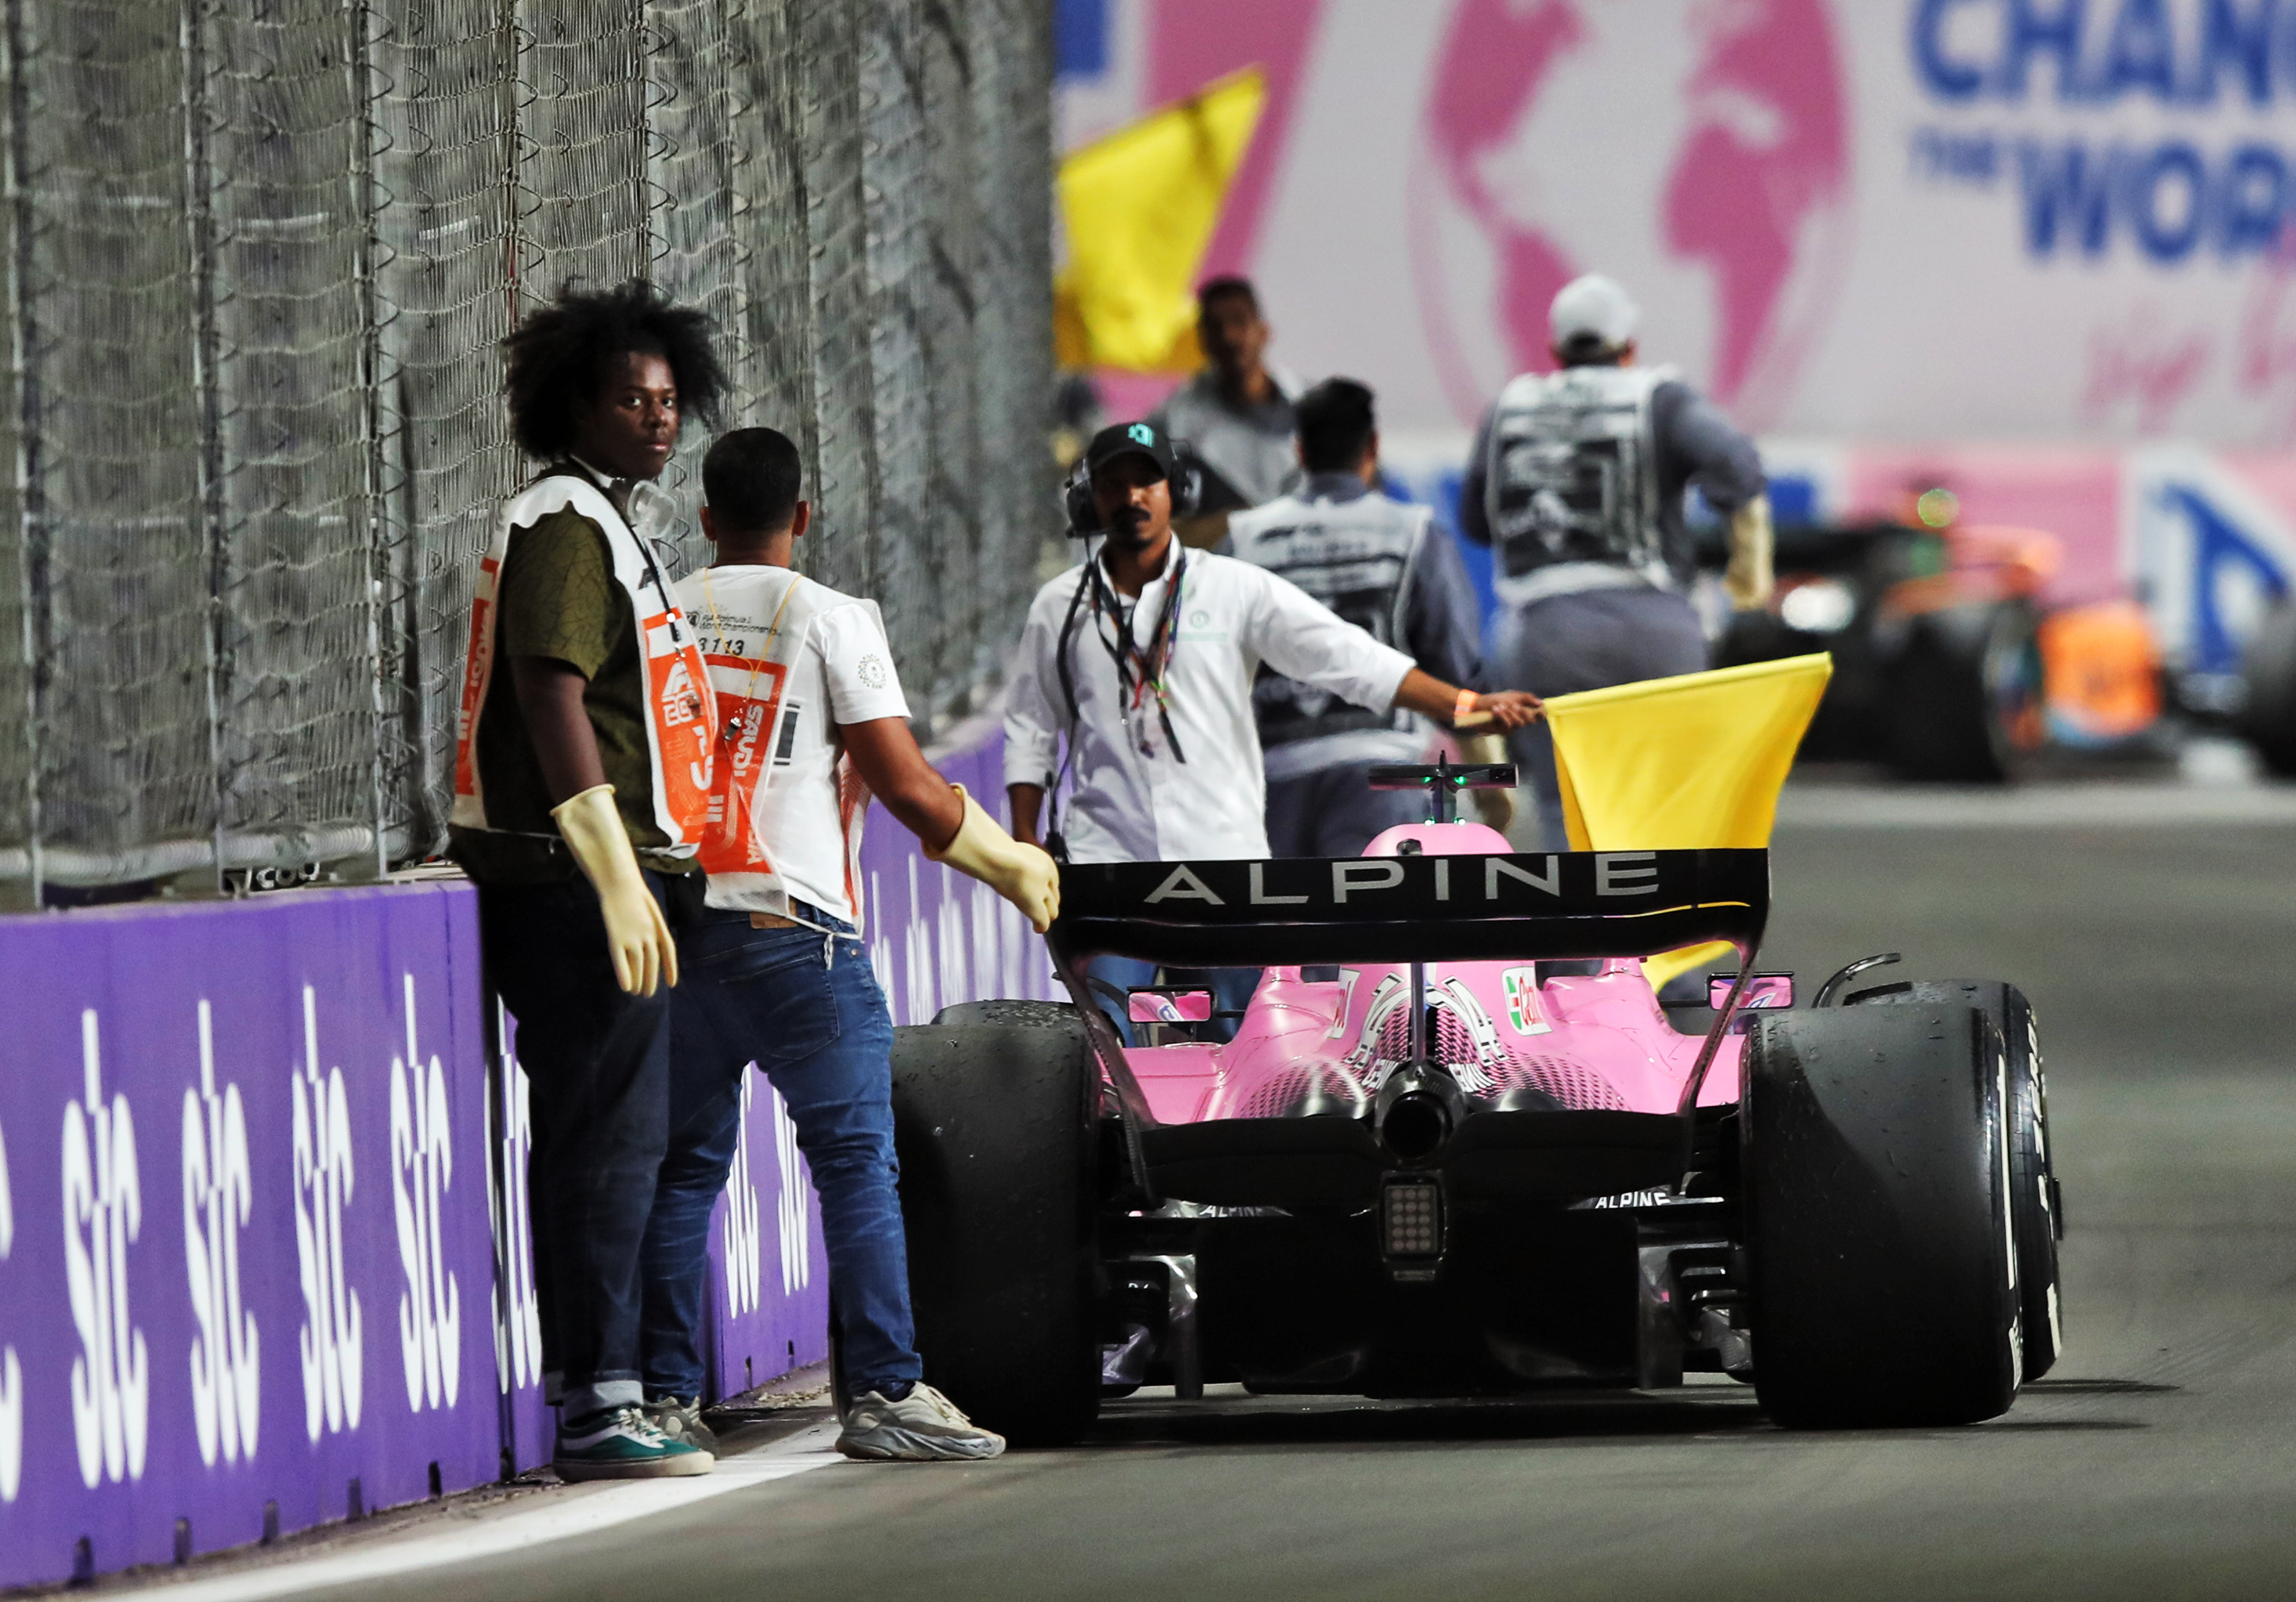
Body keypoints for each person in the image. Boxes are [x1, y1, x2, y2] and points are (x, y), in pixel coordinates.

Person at [637, 429, 1061, 1464]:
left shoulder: (661, 611)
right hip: (797, 936)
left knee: (682, 1170)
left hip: (680, 927)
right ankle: (882, 1390)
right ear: (804, 514)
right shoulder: (829, 618)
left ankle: (658, 1399)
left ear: (703, 519)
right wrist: (1010, 863)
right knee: (857, 1165)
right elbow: (910, 786)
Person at [447, 279, 726, 1482]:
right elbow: (549, 688)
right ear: (574, 404)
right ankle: (603, 1401)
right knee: (609, 1142)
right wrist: (611, 871)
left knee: (609, 1137)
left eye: (668, 399)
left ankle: (599, 1388)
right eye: (630, 398)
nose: (657, 418)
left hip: (605, 875)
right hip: (576, 883)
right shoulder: (564, 519)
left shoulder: (608, 518)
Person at [1000, 419, 1542, 1019]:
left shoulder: (1235, 589)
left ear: (1176, 492)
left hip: (1225, 867)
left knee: (1246, 1043)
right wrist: (1026, 848)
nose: (1132, 498)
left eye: (1147, 483)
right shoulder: (1058, 606)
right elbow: (1030, 730)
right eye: (1114, 484)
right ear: (1090, 498)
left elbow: (1350, 658)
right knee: (1103, 1049)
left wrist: (1465, 706)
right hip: (1107, 870)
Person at [1460, 275, 1772, 847]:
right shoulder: (1659, 398)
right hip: (1657, 631)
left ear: (1555, 351)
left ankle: (1586, 934)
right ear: (1629, 346)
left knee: (1567, 808)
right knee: (1668, 811)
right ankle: (1668, 933)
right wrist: (1748, 566)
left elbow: (1477, 522)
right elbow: (1737, 465)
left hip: (1546, 632)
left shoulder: (1509, 407)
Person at [1226, 379, 1498, 858]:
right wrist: (1490, 784)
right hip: (1385, 781)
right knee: (1379, 931)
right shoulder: (1414, 533)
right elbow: (1455, 673)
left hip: (1272, 786)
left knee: (1287, 931)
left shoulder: (1242, 541)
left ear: (1300, 451)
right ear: (1373, 446)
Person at [1157, 276, 1302, 512]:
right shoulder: (1177, 417)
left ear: (1264, 331)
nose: (1229, 336)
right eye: (1215, 327)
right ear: (1203, 341)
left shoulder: (1312, 408)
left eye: (1239, 321)